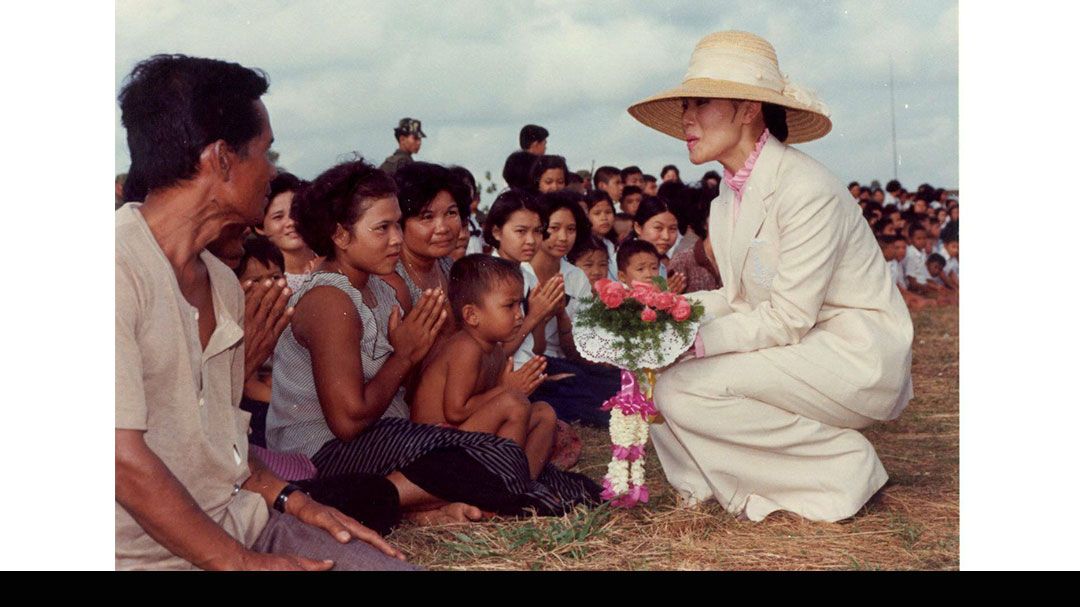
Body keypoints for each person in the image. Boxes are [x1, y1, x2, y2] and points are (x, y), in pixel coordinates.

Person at [116, 54, 411, 570]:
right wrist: (241, 564)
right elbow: (117, 459)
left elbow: (216, 447)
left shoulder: (224, 284)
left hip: (243, 523)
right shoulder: (111, 268)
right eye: (265, 151)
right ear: (222, 160)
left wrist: (294, 501)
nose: (272, 171)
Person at [627, 31, 913, 522]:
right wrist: (661, 311)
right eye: (685, 106)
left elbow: (786, 319)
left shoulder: (806, 188)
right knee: (650, 371)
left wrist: (687, 337)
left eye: (701, 103)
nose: (686, 119)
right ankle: (705, 486)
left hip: (851, 352)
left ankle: (842, 467)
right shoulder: (725, 200)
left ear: (747, 110)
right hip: (801, 343)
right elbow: (738, 300)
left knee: (681, 386)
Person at [266, 160, 600, 519]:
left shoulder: (378, 287)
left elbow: (411, 389)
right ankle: (384, 501)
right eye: (383, 228)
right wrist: (406, 356)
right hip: (325, 452)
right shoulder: (330, 299)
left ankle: (425, 504)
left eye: (397, 223)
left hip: (388, 434)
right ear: (340, 236)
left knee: (513, 439)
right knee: (495, 453)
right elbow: (347, 424)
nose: (396, 237)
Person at [412, 255, 556, 479]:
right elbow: (455, 411)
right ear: (471, 315)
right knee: (513, 403)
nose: (519, 314)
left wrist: (507, 389)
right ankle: (501, 485)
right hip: (434, 445)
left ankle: (524, 481)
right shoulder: (465, 348)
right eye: (510, 306)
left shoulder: (494, 349)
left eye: (520, 304)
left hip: (461, 437)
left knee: (544, 412)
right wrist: (506, 389)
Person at [257, 172, 317, 291]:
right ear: (260, 228)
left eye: (296, 212)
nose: (291, 222)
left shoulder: (335, 261)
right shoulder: (270, 283)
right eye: (278, 217)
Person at [584, 190, 619, 279]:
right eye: (597, 213)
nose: (604, 218)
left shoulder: (612, 245)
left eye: (608, 212)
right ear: (586, 216)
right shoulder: (581, 246)